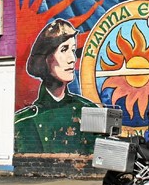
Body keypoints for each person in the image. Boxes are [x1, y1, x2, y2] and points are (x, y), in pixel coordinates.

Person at [15, 19, 97, 153]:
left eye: (73, 50)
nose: (72, 59)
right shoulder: (24, 121)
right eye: (64, 50)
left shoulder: (87, 109)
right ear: (46, 58)